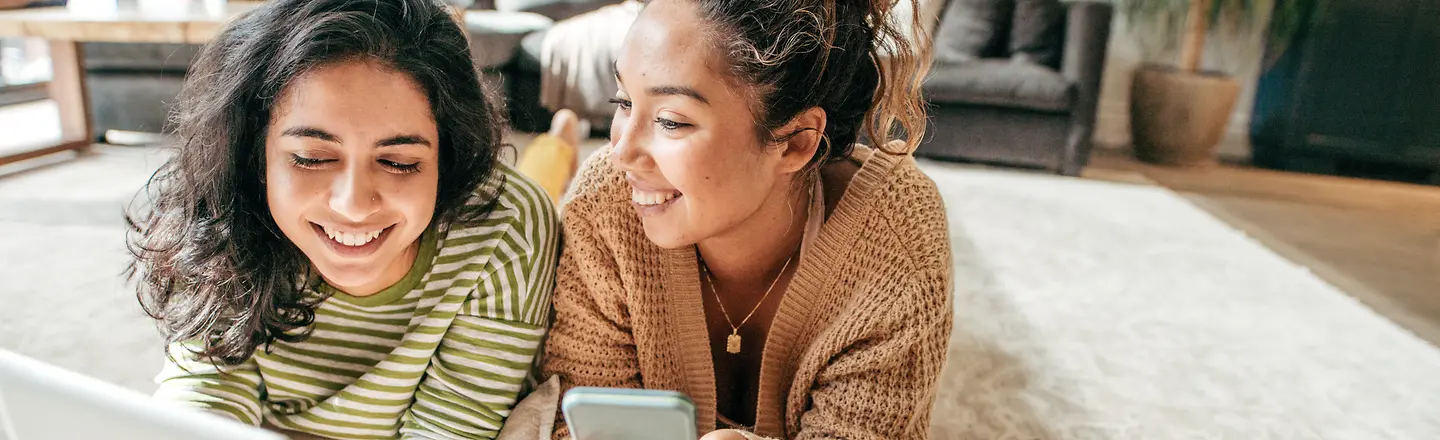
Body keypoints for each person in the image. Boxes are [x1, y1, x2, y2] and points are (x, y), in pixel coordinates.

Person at [125, 0, 568, 437]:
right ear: (252, 155)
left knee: (545, 180)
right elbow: (208, 390)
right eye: (312, 158)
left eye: (398, 162)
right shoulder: (224, 207)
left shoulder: (508, 223)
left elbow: (449, 428)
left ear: (448, 157)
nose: (353, 206)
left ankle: (560, 141)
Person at [540, 0, 953, 439]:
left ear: (795, 142)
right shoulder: (604, 205)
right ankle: (559, 141)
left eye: (670, 121)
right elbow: (574, 421)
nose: (621, 153)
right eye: (622, 101)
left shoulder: (898, 241)